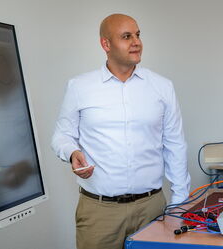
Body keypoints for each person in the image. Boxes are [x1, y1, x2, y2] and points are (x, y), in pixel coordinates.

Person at [51, 13, 191, 249]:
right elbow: (61, 136)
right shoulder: (79, 87)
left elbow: (175, 145)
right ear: (106, 44)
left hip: (152, 208)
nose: (136, 42)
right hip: (99, 212)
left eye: (137, 35)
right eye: (127, 36)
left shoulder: (162, 87)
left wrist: (179, 205)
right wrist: (72, 152)